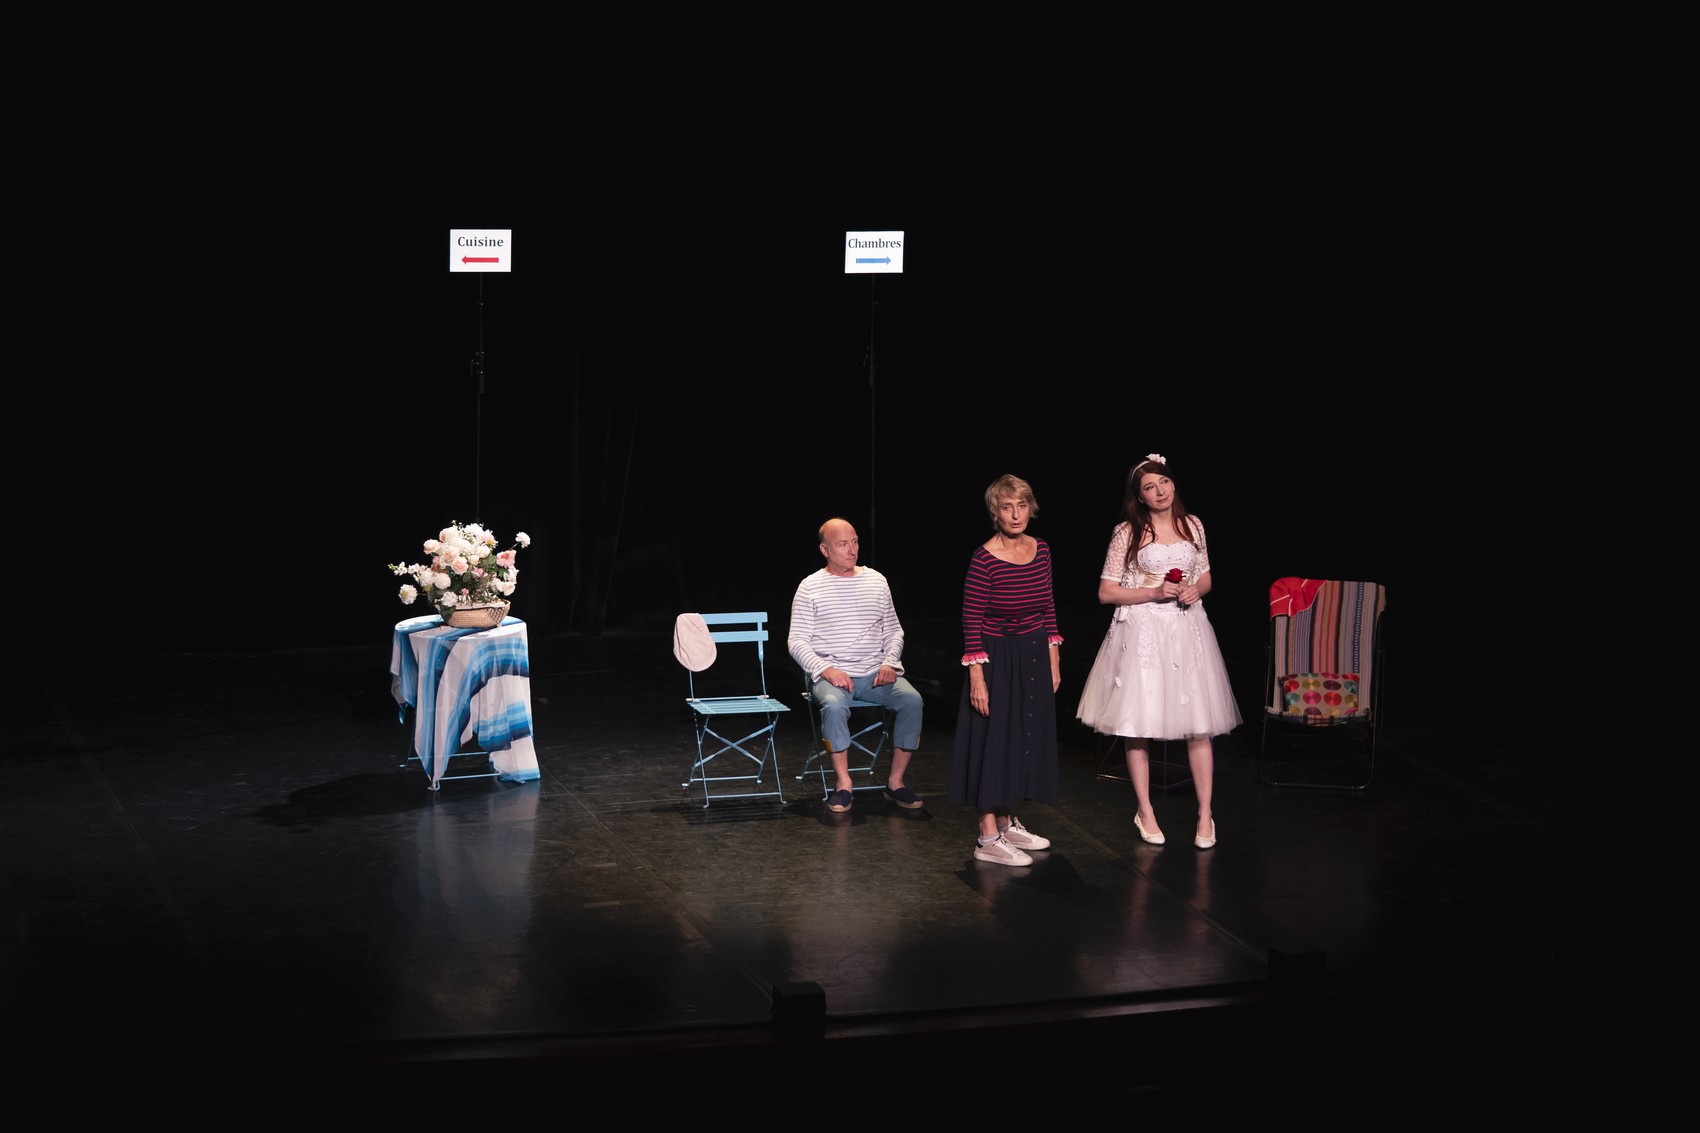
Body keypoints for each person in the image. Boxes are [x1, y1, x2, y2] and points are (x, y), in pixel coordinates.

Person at [1076, 453, 1241, 850]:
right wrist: (1153, 592)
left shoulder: (1193, 524)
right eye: (1149, 487)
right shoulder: (1127, 532)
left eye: (1163, 482)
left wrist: (1194, 589)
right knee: (1139, 721)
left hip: (1186, 628)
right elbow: (1106, 592)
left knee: (1199, 721)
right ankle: (1145, 809)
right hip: (1144, 630)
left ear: (1173, 483)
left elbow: (1205, 576)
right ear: (1140, 497)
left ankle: (1205, 812)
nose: (1159, 491)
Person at [947, 474, 1062, 867]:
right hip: (995, 656)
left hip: (1033, 652)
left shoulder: (1041, 549)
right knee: (991, 741)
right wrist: (977, 677)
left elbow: (1048, 604)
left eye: (1022, 506)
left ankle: (1006, 821)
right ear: (995, 513)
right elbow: (971, 620)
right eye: (1007, 507)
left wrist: (1053, 657)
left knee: (1021, 737)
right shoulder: (984, 558)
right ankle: (987, 837)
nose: (1015, 514)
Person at [788, 518, 925, 813]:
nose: (852, 550)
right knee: (834, 705)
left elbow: (894, 631)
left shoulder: (877, 580)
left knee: (912, 700)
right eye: (843, 544)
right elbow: (796, 641)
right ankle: (843, 784)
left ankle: (895, 782)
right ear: (825, 550)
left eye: (855, 542)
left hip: (875, 672)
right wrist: (826, 670)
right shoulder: (810, 587)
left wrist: (890, 663)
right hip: (831, 675)